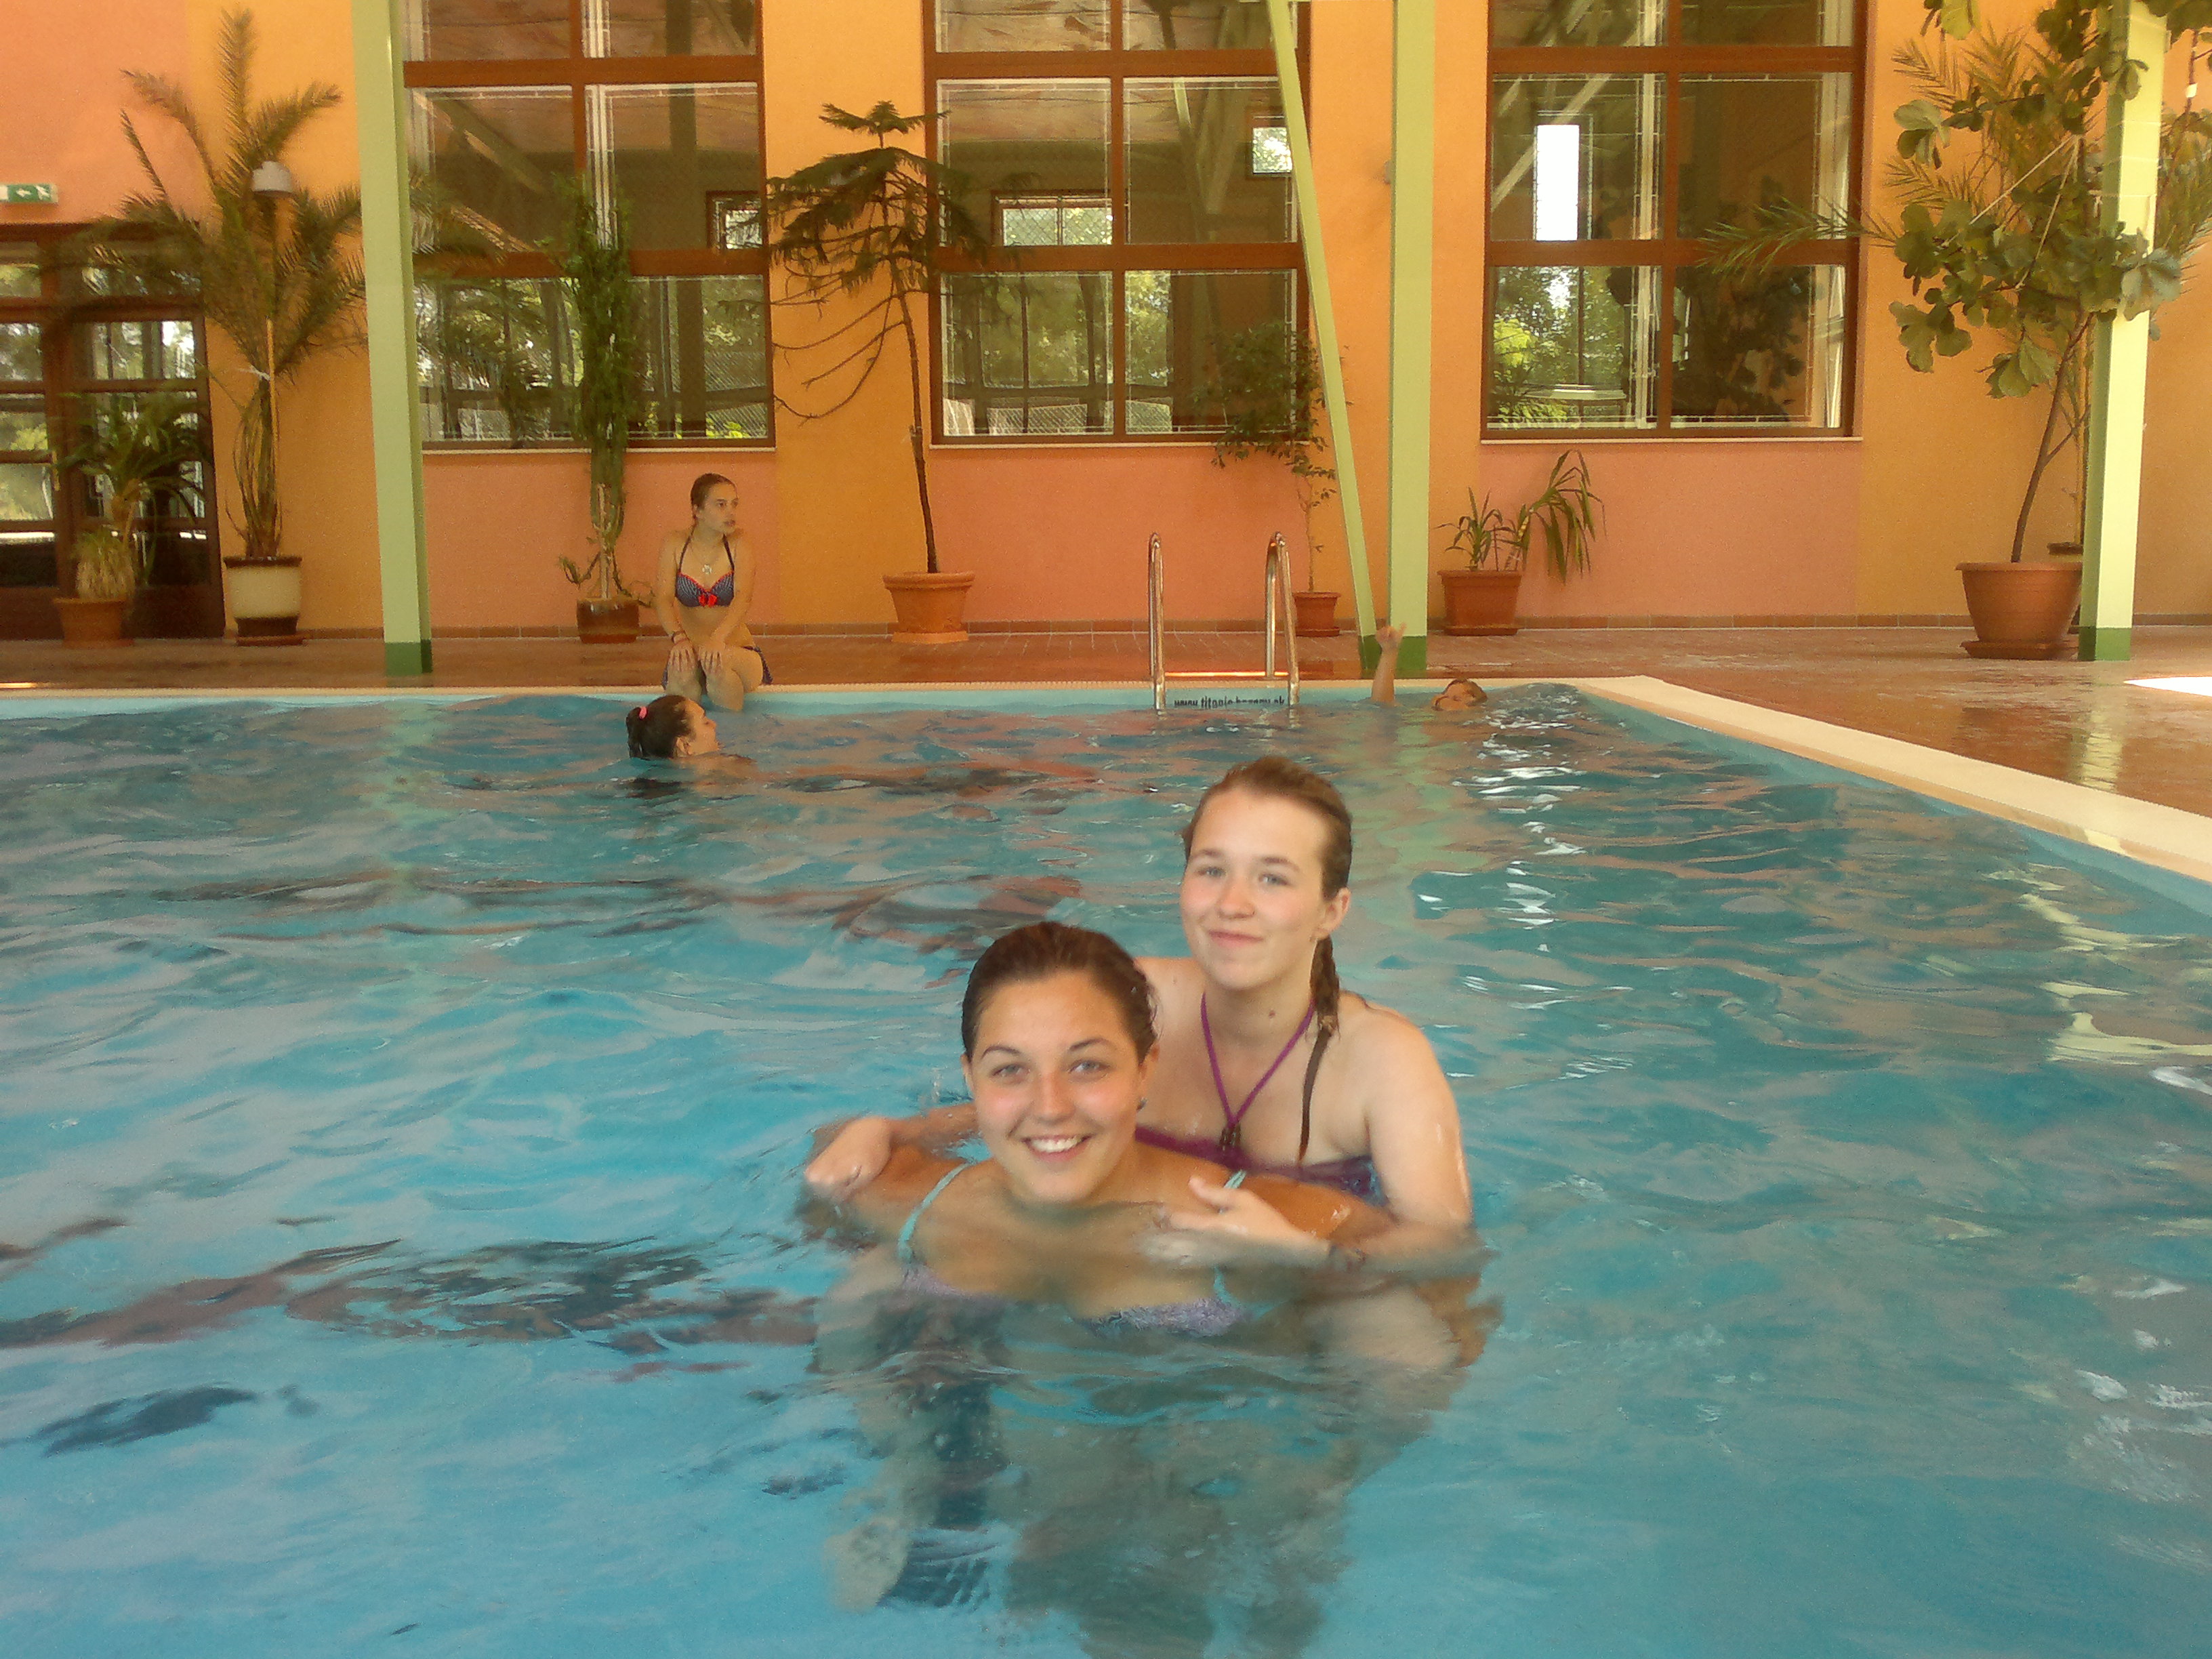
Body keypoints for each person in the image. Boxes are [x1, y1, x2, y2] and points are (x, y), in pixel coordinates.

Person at [807, 758, 1474, 1265]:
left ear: (1332, 910)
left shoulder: (1383, 1059)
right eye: (1211, 870)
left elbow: (1445, 1250)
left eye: (1272, 878)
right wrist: (893, 1131)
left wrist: (1306, 1256)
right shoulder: (1140, 992)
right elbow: (1044, 1094)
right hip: (1137, 1261)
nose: (1232, 904)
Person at [653, 472, 767, 712]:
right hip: (692, 651)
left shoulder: (740, 543)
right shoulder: (675, 544)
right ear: (697, 510)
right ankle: (687, 732)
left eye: (734, 504)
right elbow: (662, 598)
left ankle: (731, 732)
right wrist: (679, 638)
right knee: (681, 670)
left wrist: (718, 639)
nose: (731, 512)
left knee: (718, 664)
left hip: (737, 652)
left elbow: (743, 597)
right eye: (721, 505)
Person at [1368, 621, 1488, 710]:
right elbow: (1382, 704)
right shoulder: (1427, 714)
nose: (1445, 700)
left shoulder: (1475, 717)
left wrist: (1440, 700)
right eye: (1445, 695)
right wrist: (1389, 652)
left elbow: (1458, 709)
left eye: (1457, 699)